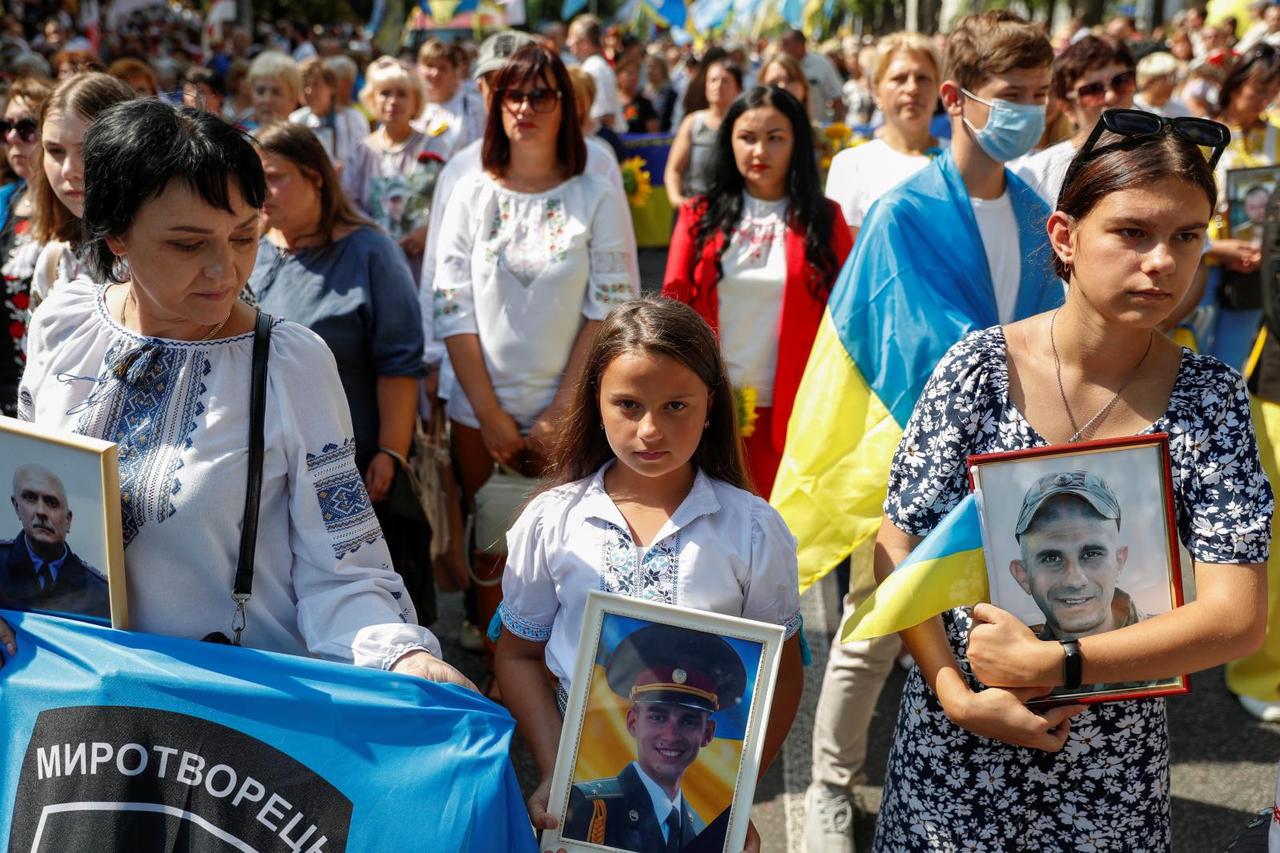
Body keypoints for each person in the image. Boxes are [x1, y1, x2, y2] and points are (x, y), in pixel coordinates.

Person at [871, 109, 1269, 849]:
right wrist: (956, 697)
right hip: (953, 771)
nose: (1162, 262)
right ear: (1065, 236)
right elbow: (896, 549)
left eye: (1187, 236)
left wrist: (1062, 658)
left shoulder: (1211, 398)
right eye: (1132, 232)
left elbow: (1238, 616)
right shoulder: (976, 369)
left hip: (1113, 777)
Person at [5, 99, 471, 689]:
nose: (225, 271)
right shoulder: (64, 324)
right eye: (187, 243)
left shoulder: (289, 364)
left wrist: (401, 656)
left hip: (231, 731)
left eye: (245, 236)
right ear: (116, 233)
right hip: (77, 707)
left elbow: (344, 566)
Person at [779, 15, 1061, 852]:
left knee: (1001, 634)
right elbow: (889, 348)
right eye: (1013, 98)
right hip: (922, 466)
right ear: (957, 99)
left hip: (1020, 465)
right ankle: (832, 783)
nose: (1031, 114)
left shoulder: (1044, 214)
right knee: (877, 629)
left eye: (1042, 98)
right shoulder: (903, 214)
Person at [492, 297, 803, 853]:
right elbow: (517, 655)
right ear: (597, 403)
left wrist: (732, 800)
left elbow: (780, 672)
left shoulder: (754, 529)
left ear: (712, 404)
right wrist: (556, 771)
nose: (651, 429)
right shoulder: (552, 519)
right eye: (629, 405)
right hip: (578, 810)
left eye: (676, 405)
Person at [433, 43, 637, 506]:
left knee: (566, 562)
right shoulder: (469, 193)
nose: (525, 107)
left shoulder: (595, 193)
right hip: (478, 416)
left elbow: (608, 309)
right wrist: (488, 413)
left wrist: (562, 410)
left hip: (575, 415)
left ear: (565, 105)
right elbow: (451, 308)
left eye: (541, 95)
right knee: (488, 559)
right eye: (514, 95)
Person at [250, 121, 435, 624]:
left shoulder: (370, 251)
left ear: (316, 177)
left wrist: (390, 454)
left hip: (351, 467)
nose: (261, 192)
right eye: (252, 178)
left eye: (273, 176)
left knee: (360, 602)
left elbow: (399, 361)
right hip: (263, 469)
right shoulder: (248, 248)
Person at [664, 86, 851, 495]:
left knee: (786, 545)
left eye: (775, 138)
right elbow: (671, 312)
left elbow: (849, 322)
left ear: (796, 142)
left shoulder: (826, 218)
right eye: (747, 137)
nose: (759, 150)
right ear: (728, 140)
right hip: (708, 411)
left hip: (796, 414)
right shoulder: (697, 216)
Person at [561, 624, 746, 851]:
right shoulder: (592, 806)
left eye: (688, 721)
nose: (671, 734)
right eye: (658, 717)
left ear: (707, 734)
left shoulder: (701, 826)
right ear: (632, 723)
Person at [825, 32, 944, 242]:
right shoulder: (851, 165)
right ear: (876, 91)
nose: (912, 88)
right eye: (899, 79)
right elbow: (848, 257)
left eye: (923, 78)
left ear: (938, 90)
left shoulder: (962, 161)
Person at [31, 72, 134, 307]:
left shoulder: (178, 255)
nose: (69, 170)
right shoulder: (55, 261)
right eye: (55, 150)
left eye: (88, 150)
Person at [343, 56, 452, 272]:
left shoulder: (434, 146)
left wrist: (428, 231)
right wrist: (379, 238)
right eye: (385, 93)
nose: (392, 101)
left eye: (402, 94)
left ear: (416, 102)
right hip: (373, 261)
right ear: (372, 99)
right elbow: (348, 204)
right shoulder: (362, 150)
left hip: (423, 261)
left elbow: (450, 201)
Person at [1009, 471, 1141, 640]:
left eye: (1091, 554)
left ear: (1119, 561)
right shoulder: (1005, 662)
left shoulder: (1172, 646)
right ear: (1023, 575)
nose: (1075, 581)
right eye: (1052, 559)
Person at [1012, 35, 1136, 206]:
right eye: (1092, 90)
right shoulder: (1036, 174)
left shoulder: (1167, 157)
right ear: (1066, 107)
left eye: (1121, 82)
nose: (1111, 96)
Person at [0, 76, 52, 417]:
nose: (12, 138)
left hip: (47, 391)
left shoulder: (77, 212)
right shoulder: (5, 199)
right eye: (5, 126)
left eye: (26, 127)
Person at [0, 463, 107, 619]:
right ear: (16, 506)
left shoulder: (100, 592)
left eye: (51, 503)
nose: (41, 512)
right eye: (30, 498)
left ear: (68, 520)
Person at [664, 56, 742, 207]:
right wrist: (679, 201)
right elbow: (674, 170)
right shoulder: (692, 122)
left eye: (725, 81)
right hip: (695, 208)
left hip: (731, 210)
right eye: (713, 80)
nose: (718, 86)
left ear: (738, 88)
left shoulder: (744, 125)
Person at [289, 57, 365, 167]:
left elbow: (361, 159)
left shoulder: (352, 119)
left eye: (316, 84)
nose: (309, 91)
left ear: (332, 87)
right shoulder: (295, 120)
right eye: (305, 85)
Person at [415, 39, 484, 150]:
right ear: (419, 68)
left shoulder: (471, 105)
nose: (435, 73)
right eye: (429, 65)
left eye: (443, 68)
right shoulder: (410, 106)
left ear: (454, 73)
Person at [567, 14, 625, 131]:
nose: (568, 42)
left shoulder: (594, 69)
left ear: (585, 43)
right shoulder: (594, 66)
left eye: (571, 37)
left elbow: (606, 118)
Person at [779, 29, 845, 122]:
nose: (781, 47)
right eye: (781, 44)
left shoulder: (822, 64)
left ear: (800, 45)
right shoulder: (778, 66)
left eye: (786, 44)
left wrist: (835, 128)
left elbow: (837, 98)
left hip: (815, 129)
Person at [246, 50, 301, 130]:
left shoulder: (304, 141)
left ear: (293, 98)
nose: (267, 100)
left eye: (276, 93)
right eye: (260, 92)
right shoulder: (240, 138)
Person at [1134, 51, 1191, 117]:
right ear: (1150, 82)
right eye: (1171, 78)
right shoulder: (1132, 109)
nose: (1175, 83)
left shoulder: (1182, 111)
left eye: (1175, 77)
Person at [617, 57, 658, 134]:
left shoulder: (645, 103)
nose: (634, 77)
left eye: (636, 73)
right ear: (618, 76)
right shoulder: (611, 102)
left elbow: (654, 133)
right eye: (629, 73)